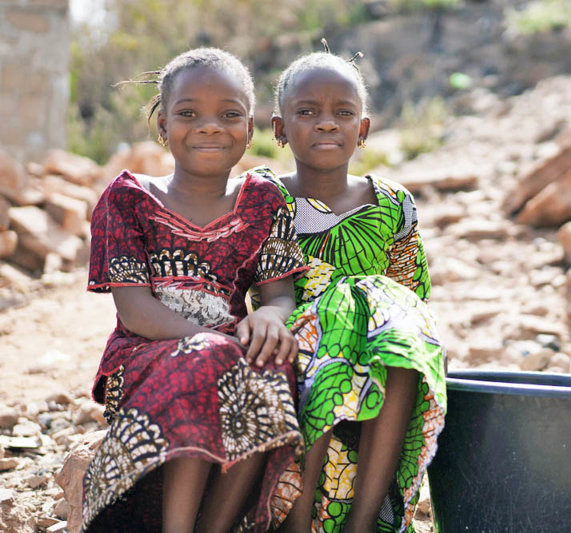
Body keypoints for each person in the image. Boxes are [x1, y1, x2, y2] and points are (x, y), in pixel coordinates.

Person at [82, 47, 308, 533]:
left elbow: (280, 294)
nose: (209, 126)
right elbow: (136, 311)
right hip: (145, 357)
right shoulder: (129, 199)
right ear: (163, 126)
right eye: (189, 114)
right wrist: (214, 344)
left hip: (226, 351)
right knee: (215, 357)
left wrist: (270, 318)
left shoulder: (265, 201)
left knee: (272, 362)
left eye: (229, 114)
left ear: (250, 130)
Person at [250, 48, 447, 533]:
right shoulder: (262, 195)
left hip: (380, 350)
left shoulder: (393, 203)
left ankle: (365, 524)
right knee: (334, 327)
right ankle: (296, 522)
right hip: (296, 342)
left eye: (343, 113)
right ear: (279, 129)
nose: (326, 124)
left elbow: (411, 295)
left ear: (363, 131)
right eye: (307, 112)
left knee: (403, 345)